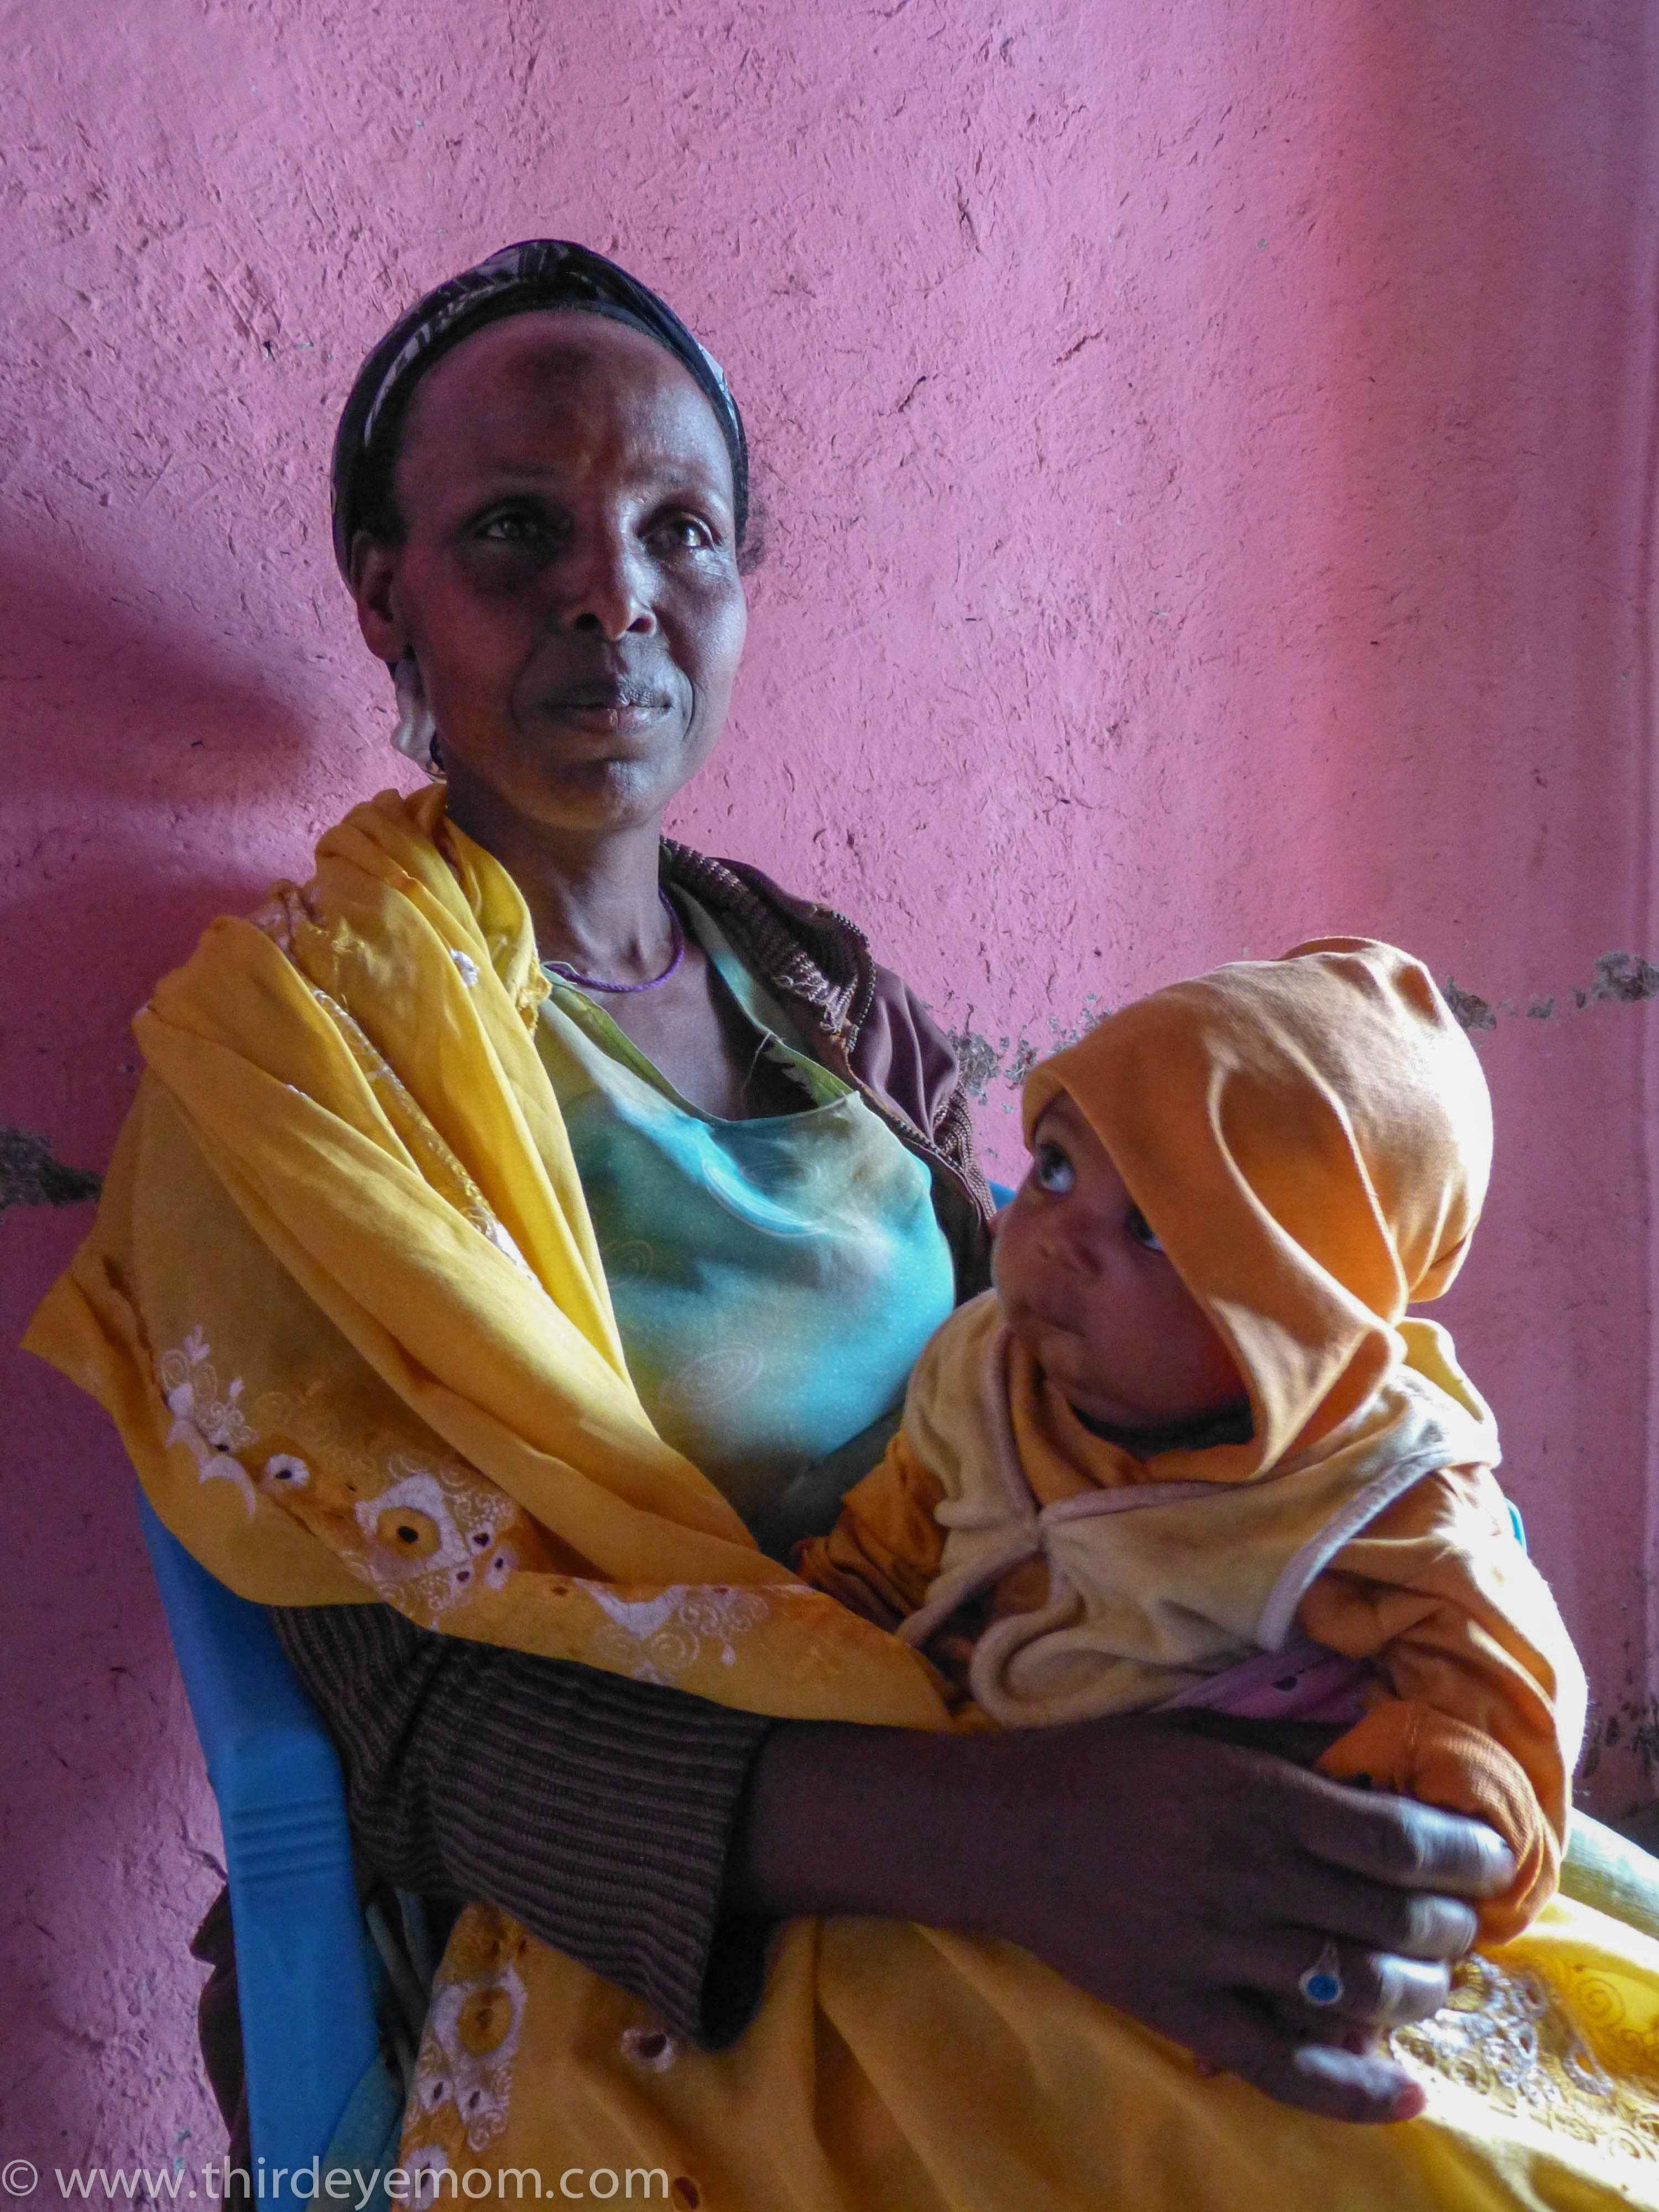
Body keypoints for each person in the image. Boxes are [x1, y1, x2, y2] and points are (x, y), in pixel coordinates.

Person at [31, 244, 1643, 2206]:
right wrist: (1011, 1836)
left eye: (679, 531)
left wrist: (1304, 1657)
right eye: (518, 529)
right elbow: (407, 1730)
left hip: (1055, 1729)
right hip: (681, 1912)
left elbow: (1044, 1399)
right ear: (389, 597)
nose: (613, 593)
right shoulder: (299, 1078)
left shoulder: (817, 994)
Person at [799, 938, 1583, 1959]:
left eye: (1155, 1230)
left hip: (1217, 1899)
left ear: (1300, 1309)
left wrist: (1425, 1782)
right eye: (1055, 1166)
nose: (1056, 1237)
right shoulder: (985, 1368)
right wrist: (809, 1664)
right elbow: (877, 1563)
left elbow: (1507, 1750)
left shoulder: (1377, 1493)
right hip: (974, 1834)